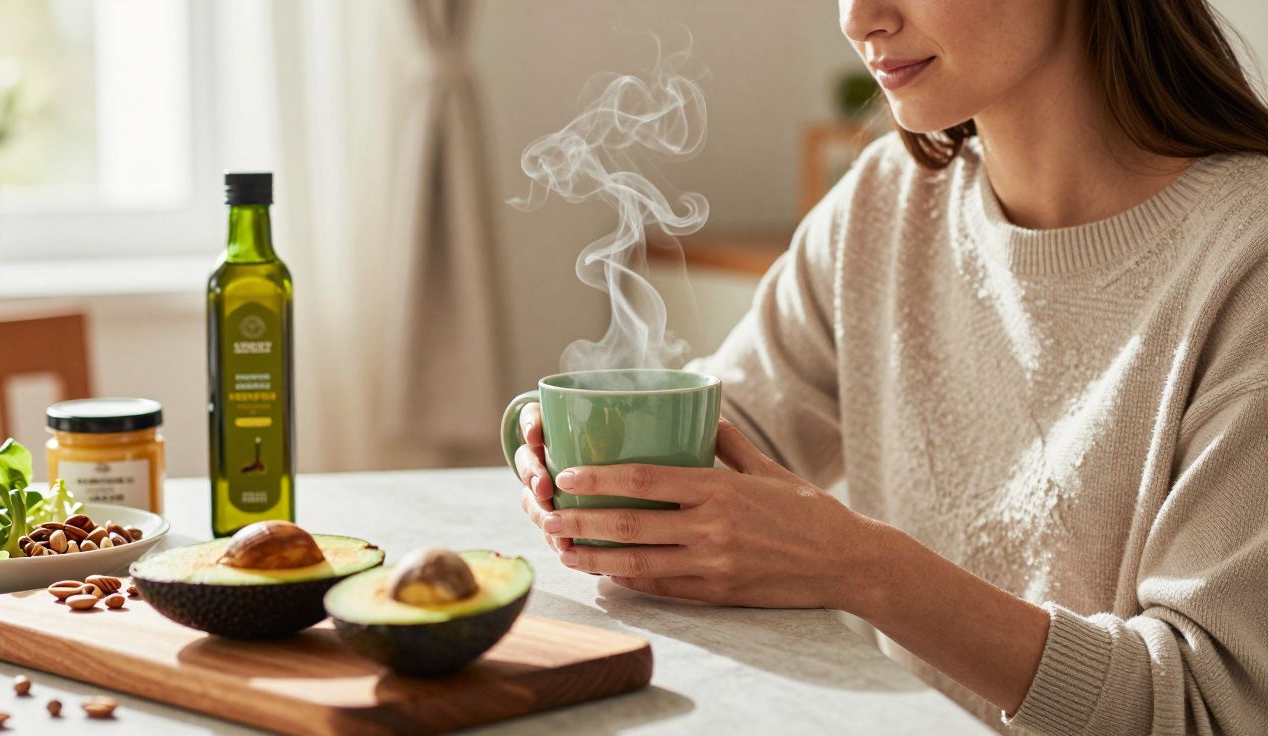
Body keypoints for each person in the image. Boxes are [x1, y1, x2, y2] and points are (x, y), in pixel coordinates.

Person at [510, 1, 1268, 733]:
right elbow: (737, 434)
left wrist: (861, 567)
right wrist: (593, 468)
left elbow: (1209, 708)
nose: (857, 16)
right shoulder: (886, 204)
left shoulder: (1246, 265)